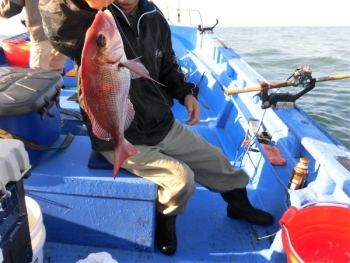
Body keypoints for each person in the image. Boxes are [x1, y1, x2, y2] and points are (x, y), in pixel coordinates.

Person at [38, 0, 274, 255]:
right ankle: (166, 219)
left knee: (218, 161)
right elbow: (60, 27)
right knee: (181, 179)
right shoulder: (90, 18)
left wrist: (186, 93)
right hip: (119, 135)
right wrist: (80, 2)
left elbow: (168, 63)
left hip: (161, 122)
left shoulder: (152, 15)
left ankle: (238, 204)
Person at [0, 0, 67, 74]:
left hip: (42, 30)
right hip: (69, 29)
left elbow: (9, 10)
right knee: (56, 66)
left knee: (37, 72)